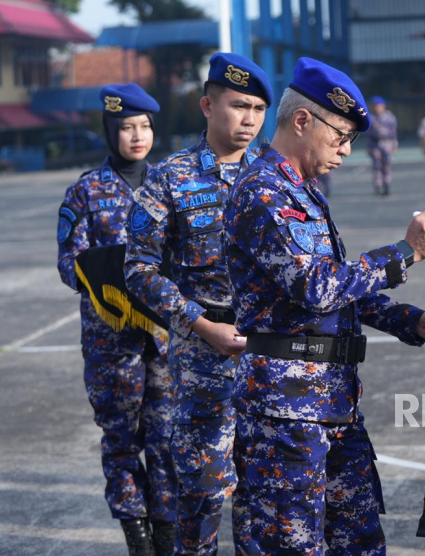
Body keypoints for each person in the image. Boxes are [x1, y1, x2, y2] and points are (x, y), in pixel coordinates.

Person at [222, 56, 425, 555]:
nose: (348, 151)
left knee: (359, 539)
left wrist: (412, 321)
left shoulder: (303, 190)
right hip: (285, 413)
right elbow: (317, 287)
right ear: (303, 120)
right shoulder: (264, 193)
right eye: (341, 136)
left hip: (332, 401)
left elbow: (340, 290)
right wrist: (406, 252)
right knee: (290, 544)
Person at [123, 53, 272, 556]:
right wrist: (197, 322)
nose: (249, 119)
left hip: (268, 354)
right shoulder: (170, 177)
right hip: (203, 354)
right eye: (238, 106)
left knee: (262, 492)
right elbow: (137, 269)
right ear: (207, 105)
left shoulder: (280, 175)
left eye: (257, 108)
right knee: (204, 492)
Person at [56, 83, 176, 556]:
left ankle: (167, 535)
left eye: (145, 126)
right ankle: (138, 537)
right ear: (110, 131)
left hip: (166, 338)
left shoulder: (168, 183)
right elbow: (70, 261)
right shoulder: (86, 190)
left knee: (167, 439)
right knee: (122, 439)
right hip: (112, 342)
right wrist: (109, 292)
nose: (137, 136)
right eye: (127, 127)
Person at [366, 95, 398, 196]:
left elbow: (394, 132)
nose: (376, 107)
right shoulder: (371, 117)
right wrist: (368, 147)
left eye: (378, 105)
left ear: (383, 106)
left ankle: (387, 185)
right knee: (377, 166)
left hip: (387, 143)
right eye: (375, 105)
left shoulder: (389, 117)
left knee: (387, 166)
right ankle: (378, 185)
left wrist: (394, 145)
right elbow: (368, 134)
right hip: (375, 144)